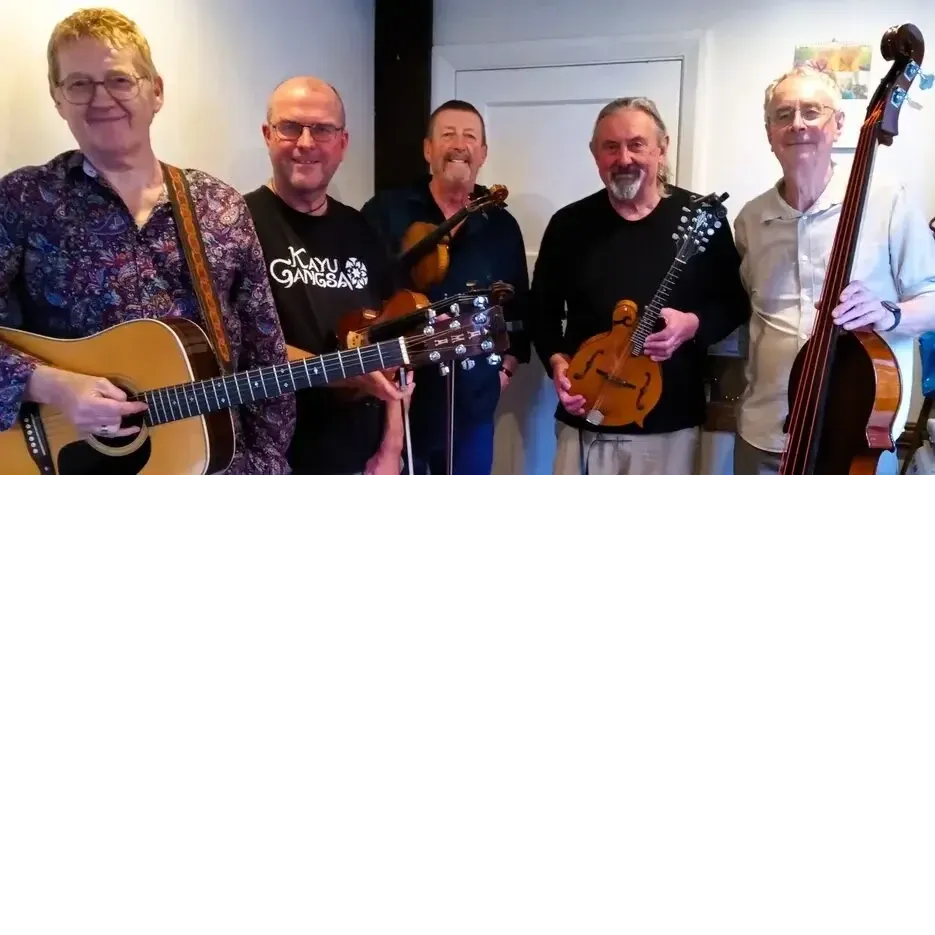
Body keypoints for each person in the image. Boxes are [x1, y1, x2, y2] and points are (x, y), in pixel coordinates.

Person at [0, 7, 294, 476]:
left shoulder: (219, 205)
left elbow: (265, 351)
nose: (101, 99)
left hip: (213, 465)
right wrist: (53, 387)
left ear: (155, 91)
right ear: (57, 98)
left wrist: (264, 465)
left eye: (119, 80)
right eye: (79, 83)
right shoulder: (22, 199)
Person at [528, 97, 750, 478]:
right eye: (611, 147)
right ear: (595, 154)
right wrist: (557, 362)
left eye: (636, 144)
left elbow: (733, 303)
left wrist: (693, 326)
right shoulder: (568, 224)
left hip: (670, 423)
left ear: (661, 149)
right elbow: (541, 312)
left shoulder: (701, 219)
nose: (624, 158)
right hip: (584, 416)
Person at [733, 65, 935, 478]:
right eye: (783, 114)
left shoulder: (888, 199)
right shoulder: (750, 220)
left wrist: (889, 313)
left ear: (839, 124)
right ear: (769, 131)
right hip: (766, 433)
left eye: (812, 111)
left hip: (856, 439)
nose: (798, 125)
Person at [244, 76, 412, 479]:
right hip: (271, 462)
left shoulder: (362, 229)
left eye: (322, 129)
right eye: (290, 127)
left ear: (343, 143)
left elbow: (397, 349)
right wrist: (336, 370)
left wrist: (392, 448)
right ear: (267, 135)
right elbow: (230, 347)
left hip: (362, 461)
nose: (305, 143)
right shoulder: (236, 224)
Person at [360, 99, 530, 479]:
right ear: (427, 149)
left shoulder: (502, 224)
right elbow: (363, 295)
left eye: (470, 136)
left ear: (482, 153)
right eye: (448, 134)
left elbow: (520, 309)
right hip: (403, 399)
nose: (459, 144)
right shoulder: (386, 210)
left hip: (473, 404)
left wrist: (504, 371)